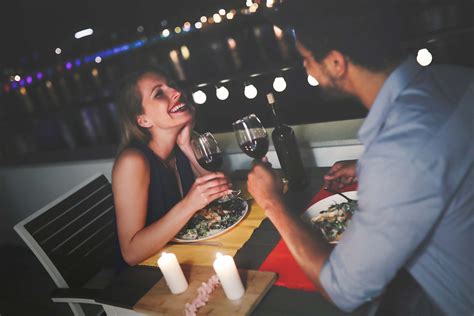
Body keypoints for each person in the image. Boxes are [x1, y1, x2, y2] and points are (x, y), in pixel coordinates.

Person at [248, 1, 474, 315]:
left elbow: (343, 290)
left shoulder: (399, 153)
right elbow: (437, 160)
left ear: (337, 63)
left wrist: (272, 202)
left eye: (306, 59)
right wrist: (365, 168)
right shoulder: (455, 78)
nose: (306, 69)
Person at [112, 66, 231, 267]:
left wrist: (186, 145)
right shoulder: (132, 162)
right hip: (149, 276)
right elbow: (131, 254)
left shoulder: (182, 143)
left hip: (185, 256)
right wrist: (189, 205)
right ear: (143, 120)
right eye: (159, 94)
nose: (176, 93)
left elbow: (223, 193)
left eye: (173, 86)